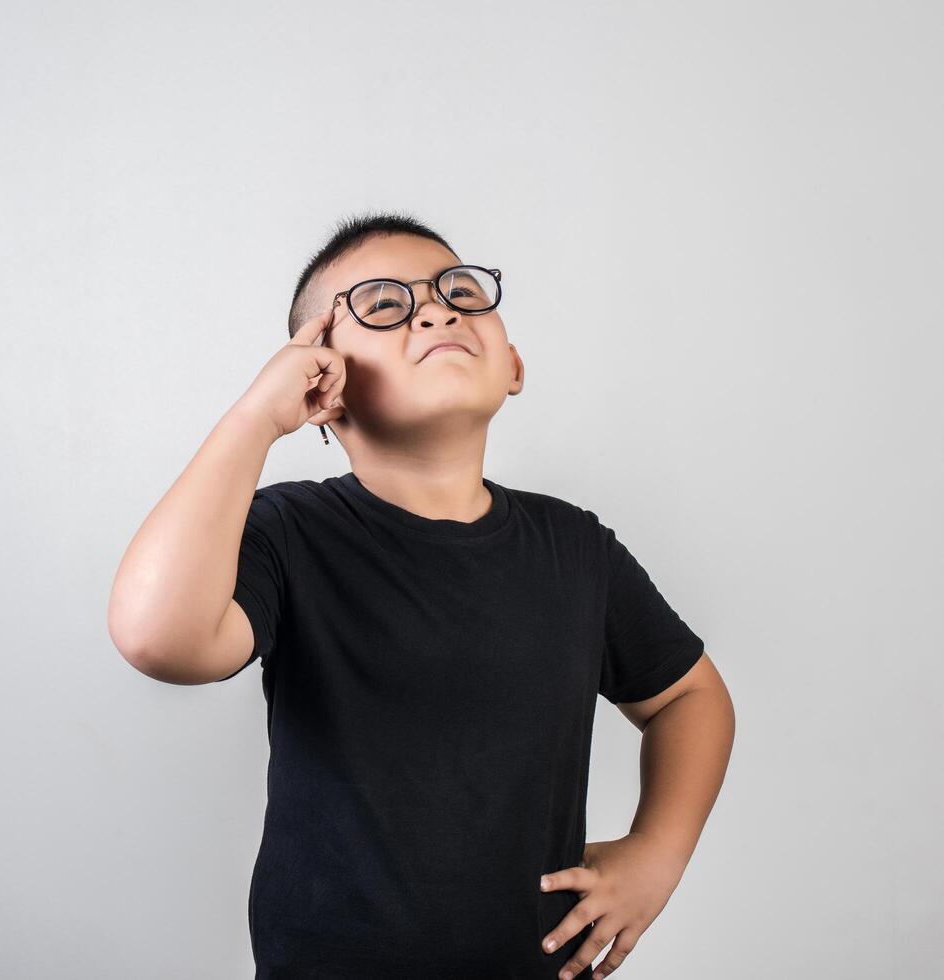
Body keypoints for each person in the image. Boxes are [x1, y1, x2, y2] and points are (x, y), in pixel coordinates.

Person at [108, 211, 735, 980]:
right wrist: (253, 419)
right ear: (318, 381)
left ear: (513, 365)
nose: (435, 309)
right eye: (380, 305)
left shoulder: (574, 547)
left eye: (460, 292)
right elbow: (156, 637)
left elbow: (689, 697)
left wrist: (656, 854)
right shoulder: (290, 534)